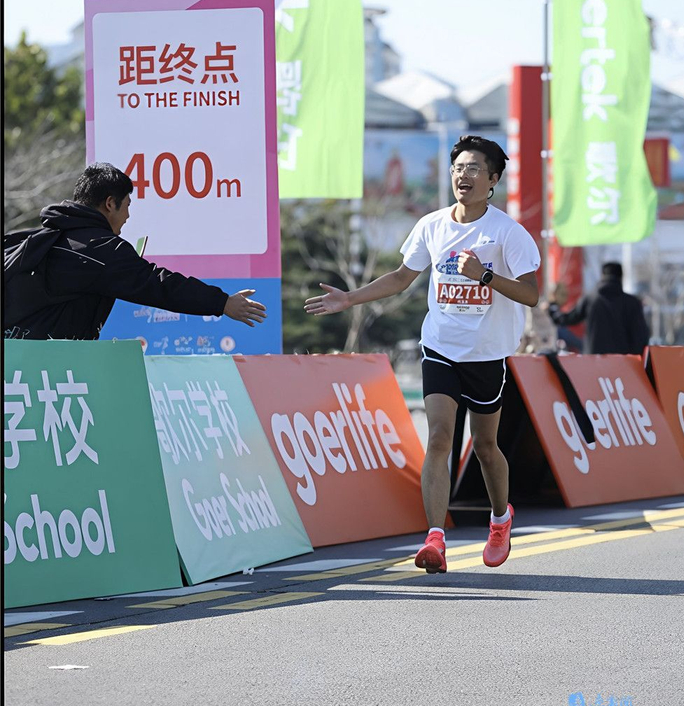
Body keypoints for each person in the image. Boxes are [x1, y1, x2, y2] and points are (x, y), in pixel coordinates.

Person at [305, 135, 540, 574]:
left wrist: (485, 276)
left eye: (474, 168)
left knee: (486, 446)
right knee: (438, 438)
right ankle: (435, 538)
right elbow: (400, 277)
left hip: (486, 354)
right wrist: (349, 299)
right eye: (458, 168)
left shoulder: (507, 232)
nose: (464, 175)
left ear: (492, 179)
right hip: (440, 347)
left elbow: (531, 294)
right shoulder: (432, 225)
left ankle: (500, 519)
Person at [3, 162, 266, 341]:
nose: (128, 216)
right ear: (110, 204)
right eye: (127, 205)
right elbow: (159, 285)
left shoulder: (45, 237)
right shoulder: (102, 250)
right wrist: (222, 303)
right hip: (47, 370)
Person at [547, 262, 649, 355]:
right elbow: (641, 335)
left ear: (602, 276)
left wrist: (552, 307)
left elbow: (567, 319)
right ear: (621, 277)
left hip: (593, 360)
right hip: (623, 361)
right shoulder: (632, 303)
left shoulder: (590, 299)